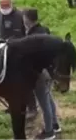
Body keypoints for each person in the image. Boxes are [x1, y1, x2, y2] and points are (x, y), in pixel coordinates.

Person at [22, 8, 61, 140]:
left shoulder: (33, 36)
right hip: (48, 71)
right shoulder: (43, 30)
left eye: (24, 18)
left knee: (44, 103)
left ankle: (49, 132)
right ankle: (55, 125)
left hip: (39, 73)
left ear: (27, 19)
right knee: (48, 99)